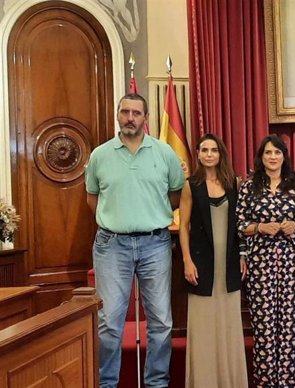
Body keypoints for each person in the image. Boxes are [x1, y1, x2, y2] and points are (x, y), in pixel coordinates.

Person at [85, 93, 185, 388]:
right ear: (118, 115)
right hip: (111, 245)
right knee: (110, 324)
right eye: (125, 112)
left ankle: (156, 383)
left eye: (136, 113)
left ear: (146, 118)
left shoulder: (164, 152)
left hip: (155, 244)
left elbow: (176, 194)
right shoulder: (100, 155)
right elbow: (92, 199)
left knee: (161, 322)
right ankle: (107, 384)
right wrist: (117, 219)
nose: (130, 117)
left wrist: (149, 215)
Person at [236, 134, 295, 388]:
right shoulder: (249, 186)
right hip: (261, 264)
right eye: (268, 153)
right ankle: (266, 382)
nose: (273, 157)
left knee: (290, 327)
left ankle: (290, 381)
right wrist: (259, 227)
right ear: (261, 157)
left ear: (284, 156)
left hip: (293, 264)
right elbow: (239, 224)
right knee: (264, 327)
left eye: (277, 152)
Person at [178, 133, 248, 388]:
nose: (209, 154)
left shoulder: (235, 184)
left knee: (228, 325)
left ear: (221, 154)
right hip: (201, 265)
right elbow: (183, 226)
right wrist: (186, 260)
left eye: (213, 150)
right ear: (197, 154)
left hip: (228, 265)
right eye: (204, 150)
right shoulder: (190, 185)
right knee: (204, 328)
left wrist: (242, 255)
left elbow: (241, 226)